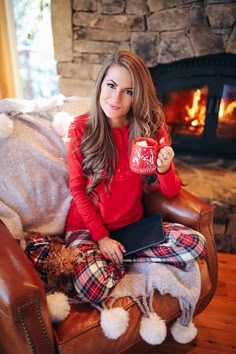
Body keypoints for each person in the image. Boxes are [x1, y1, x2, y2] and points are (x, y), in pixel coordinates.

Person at [25, 51, 207, 304]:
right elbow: (77, 190)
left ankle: (115, 260)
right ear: (101, 84)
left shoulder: (150, 130)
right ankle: (92, 259)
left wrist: (165, 169)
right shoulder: (80, 129)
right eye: (111, 85)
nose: (116, 98)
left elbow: (169, 192)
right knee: (93, 286)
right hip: (88, 229)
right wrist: (102, 239)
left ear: (138, 96)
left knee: (195, 243)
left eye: (128, 91)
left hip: (132, 228)